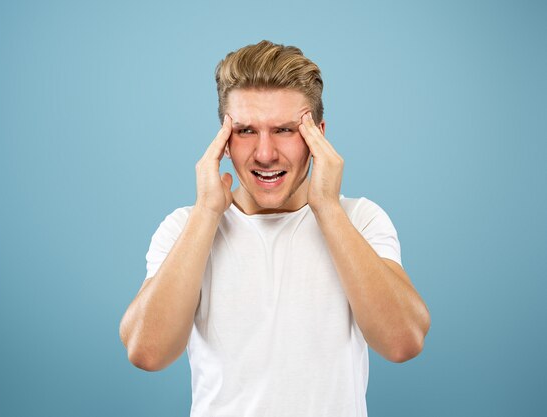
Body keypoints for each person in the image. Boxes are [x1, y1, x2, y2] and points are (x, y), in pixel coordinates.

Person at [119, 40, 430, 417]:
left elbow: (404, 342)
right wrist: (206, 213)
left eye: (284, 129)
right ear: (224, 139)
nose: (265, 154)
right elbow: (146, 351)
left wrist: (328, 208)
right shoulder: (185, 226)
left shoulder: (361, 219)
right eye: (246, 130)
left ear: (318, 136)